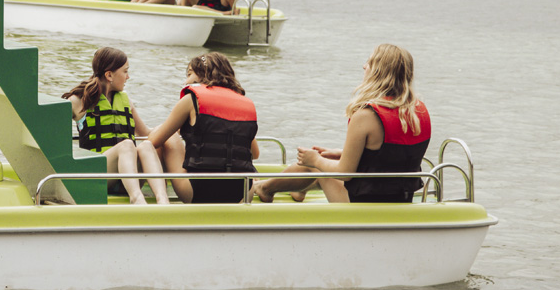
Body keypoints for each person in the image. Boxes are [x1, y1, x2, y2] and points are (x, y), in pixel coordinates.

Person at [250, 44, 431, 204]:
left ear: (378, 72)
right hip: (401, 199)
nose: (364, 66)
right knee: (327, 159)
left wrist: (315, 160)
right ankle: (298, 189)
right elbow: (393, 157)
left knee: (313, 165)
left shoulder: (366, 115)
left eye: (369, 63)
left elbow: (345, 172)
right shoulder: (418, 110)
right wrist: (343, 153)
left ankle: (264, 188)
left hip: (363, 205)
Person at [63, 47, 170, 205]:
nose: (128, 77)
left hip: (128, 178)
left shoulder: (126, 101)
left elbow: (146, 133)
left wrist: (175, 127)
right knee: (127, 145)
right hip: (98, 177)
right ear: (109, 75)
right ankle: (136, 198)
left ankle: (163, 200)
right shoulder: (77, 101)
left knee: (146, 146)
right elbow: (53, 132)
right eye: (125, 71)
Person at [149, 53, 259, 203]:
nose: (186, 81)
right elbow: (255, 154)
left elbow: (154, 141)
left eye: (189, 74)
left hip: (198, 191)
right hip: (242, 193)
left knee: (169, 137)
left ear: (203, 74)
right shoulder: (245, 103)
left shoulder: (191, 99)